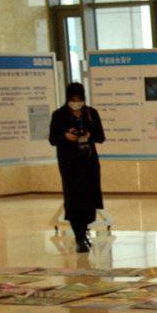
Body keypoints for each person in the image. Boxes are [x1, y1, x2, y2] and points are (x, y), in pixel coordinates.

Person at [48, 82, 105, 253]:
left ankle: (84, 231)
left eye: (79, 99)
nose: (76, 102)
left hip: (88, 162)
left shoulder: (91, 113)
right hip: (69, 163)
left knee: (89, 199)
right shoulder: (59, 115)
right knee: (73, 199)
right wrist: (66, 136)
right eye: (73, 99)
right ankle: (79, 236)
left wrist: (89, 134)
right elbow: (52, 139)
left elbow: (101, 137)